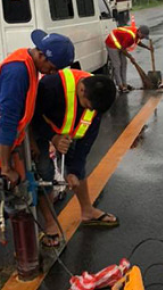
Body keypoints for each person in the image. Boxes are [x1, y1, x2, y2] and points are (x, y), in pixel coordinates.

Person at [32, 68, 117, 247]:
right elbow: (33, 117)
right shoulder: (51, 86)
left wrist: (74, 172)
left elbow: (86, 142)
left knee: (78, 171)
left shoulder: (96, 99)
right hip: (40, 130)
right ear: (81, 90)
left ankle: (87, 211)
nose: (90, 110)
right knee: (44, 172)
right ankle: (50, 223)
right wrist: (53, 137)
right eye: (87, 105)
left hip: (69, 134)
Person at [0, 29, 75, 184]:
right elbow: (7, 119)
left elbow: (25, 110)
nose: (53, 73)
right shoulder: (17, 72)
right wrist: (6, 167)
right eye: (53, 68)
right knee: (11, 193)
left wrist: (31, 142)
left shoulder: (31, 65)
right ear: (41, 55)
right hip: (4, 142)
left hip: (11, 141)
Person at [105, 25, 152, 93]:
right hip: (112, 43)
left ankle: (124, 84)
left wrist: (147, 47)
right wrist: (130, 57)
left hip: (120, 44)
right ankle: (120, 86)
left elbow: (138, 42)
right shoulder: (130, 36)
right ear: (139, 32)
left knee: (124, 63)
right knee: (117, 64)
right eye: (143, 36)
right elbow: (123, 49)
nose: (142, 38)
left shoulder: (137, 35)